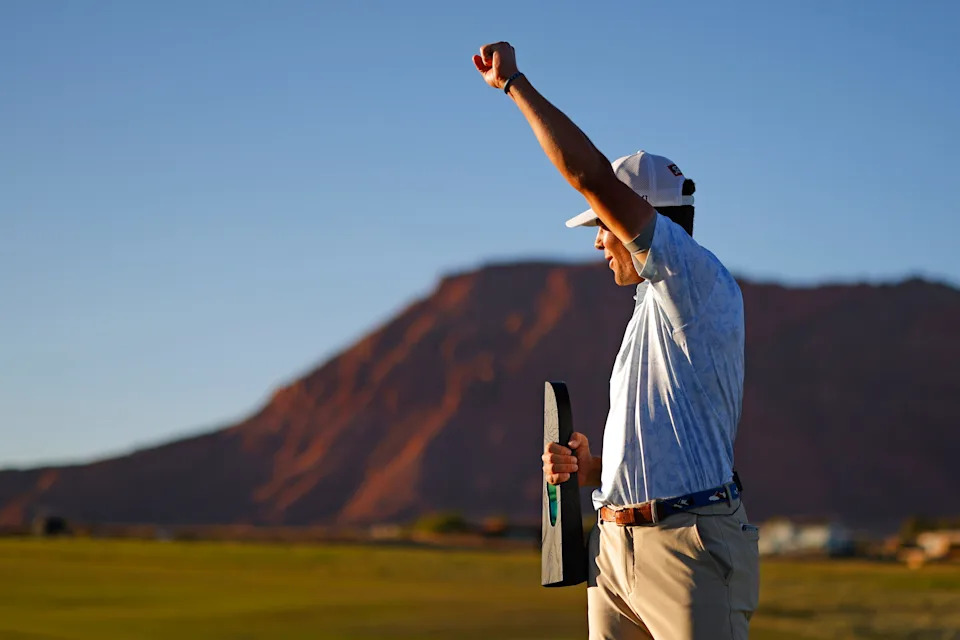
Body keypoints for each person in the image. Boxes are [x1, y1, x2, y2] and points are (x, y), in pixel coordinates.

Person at [473, 42, 760, 639]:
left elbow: (589, 175)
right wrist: (591, 467)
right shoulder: (651, 311)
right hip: (613, 551)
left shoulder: (692, 277)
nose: (598, 242)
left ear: (636, 218)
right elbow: (668, 449)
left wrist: (515, 85)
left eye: (602, 226)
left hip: (686, 550)